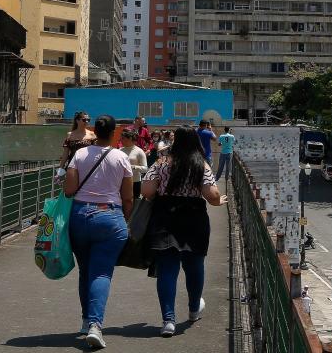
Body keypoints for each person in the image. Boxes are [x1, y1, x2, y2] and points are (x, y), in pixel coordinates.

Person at [142, 126, 227, 337]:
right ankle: (192, 310)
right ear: (195, 142)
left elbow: (147, 191)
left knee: (168, 270)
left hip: (165, 217)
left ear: (175, 141)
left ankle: (168, 320)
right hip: (194, 218)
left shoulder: (161, 163)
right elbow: (212, 195)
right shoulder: (201, 165)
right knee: (194, 265)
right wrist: (219, 201)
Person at [63, 114, 133, 350]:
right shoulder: (121, 157)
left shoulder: (80, 155)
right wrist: (126, 218)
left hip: (80, 217)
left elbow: (69, 190)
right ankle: (95, 325)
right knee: (101, 273)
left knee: (85, 271)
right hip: (109, 216)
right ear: (114, 133)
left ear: (95, 131)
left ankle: (85, 322)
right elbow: (128, 197)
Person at [121, 129, 147, 199]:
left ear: (130, 139)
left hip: (135, 182)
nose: (121, 140)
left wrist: (133, 167)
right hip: (121, 181)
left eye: (123, 138)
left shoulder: (139, 151)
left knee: (134, 203)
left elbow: (145, 169)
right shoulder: (120, 150)